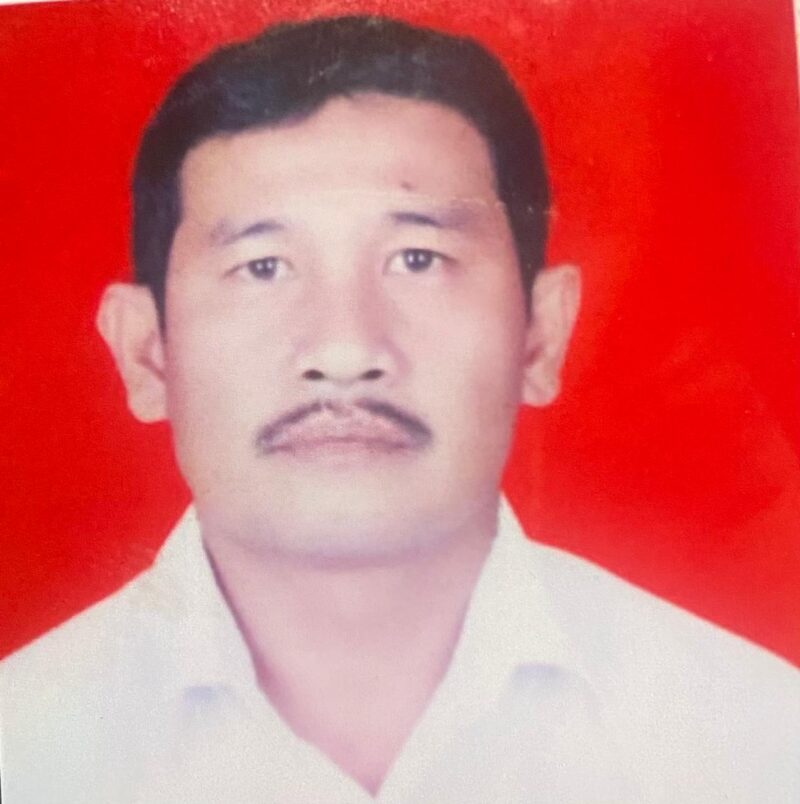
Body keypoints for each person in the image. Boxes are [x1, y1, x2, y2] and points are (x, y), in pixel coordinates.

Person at [1, 14, 797, 803]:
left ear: (541, 335)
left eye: (418, 259)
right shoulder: (27, 745)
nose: (346, 349)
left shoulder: (756, 738)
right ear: (146, 353)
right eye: (263, 266)